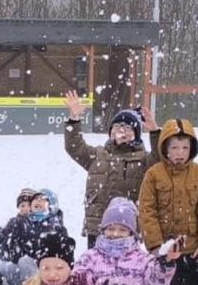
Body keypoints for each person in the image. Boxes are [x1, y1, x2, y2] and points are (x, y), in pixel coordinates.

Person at [137, 117, 198, 285]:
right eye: (174, 147)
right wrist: (155, 246)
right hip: (164, 254)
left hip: (191, 253)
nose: (180, 152)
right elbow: (147, 211)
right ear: (165, 148)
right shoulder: (154, 174)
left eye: (185, 147)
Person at [61, 90, 154, 248]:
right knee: (96, 268)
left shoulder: (144, 158)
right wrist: (74, 119)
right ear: (110, 131)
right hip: (97, 225)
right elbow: (74, 147)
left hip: (127, 227)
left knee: (127, 269)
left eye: (128, 127)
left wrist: (154, 131)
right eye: (117, 126)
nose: (121, 130)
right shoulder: (97, 154)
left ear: (137, 134)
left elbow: (161, 158)